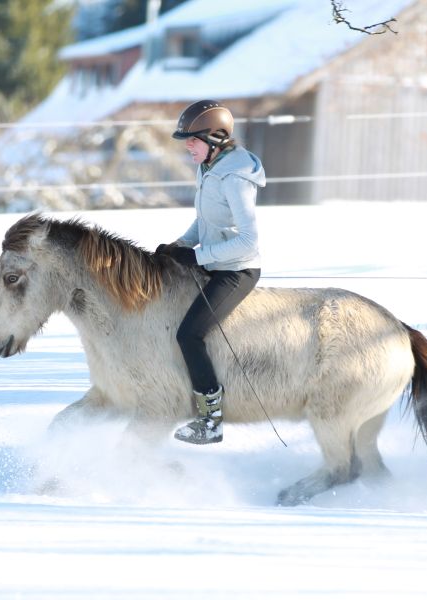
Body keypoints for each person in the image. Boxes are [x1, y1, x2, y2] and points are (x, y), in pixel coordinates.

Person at [156, 99, 265, 445]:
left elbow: (247, 241)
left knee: (189, 335)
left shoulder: (234, 178)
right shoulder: (208, 167)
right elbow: (206, 218)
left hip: (235, 271)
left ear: (215, 138)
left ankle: (211, 420)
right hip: (212, 263)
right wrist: (180, 245)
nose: (187, 146)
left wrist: (197, 257)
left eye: (192, 139)